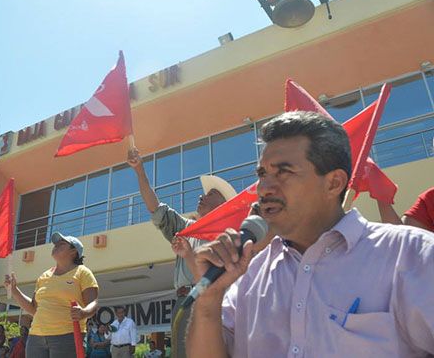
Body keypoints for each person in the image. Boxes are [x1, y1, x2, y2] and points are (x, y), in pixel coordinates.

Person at [186, 111, 434, 357]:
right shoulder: (250, 274)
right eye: (262, 174)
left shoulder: (413, 255)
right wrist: (208, 301)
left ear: (334, 183)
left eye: (283, 171)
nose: (264, 188)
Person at [127, 148, 237, 357]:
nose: (201, 196)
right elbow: (155, 208)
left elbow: (211, 281)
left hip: (209, 301)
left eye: (211, 194)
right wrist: (139, 170)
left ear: (223, 205)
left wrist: (188, 255)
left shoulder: (227, 237)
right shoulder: (187, 228)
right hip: (183, 302)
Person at [5, 232, 99, 358]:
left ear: (73, 251)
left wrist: (83, 312)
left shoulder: (83, 272)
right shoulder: (44, 276)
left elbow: (93, 303)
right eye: (56, 244)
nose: (56, 246)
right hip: (35, 338)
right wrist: (14, 290)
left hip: (67, 336)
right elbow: (33, 309)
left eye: (62, 244)